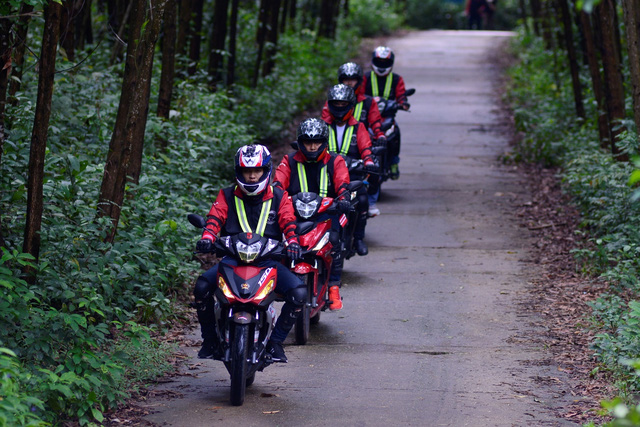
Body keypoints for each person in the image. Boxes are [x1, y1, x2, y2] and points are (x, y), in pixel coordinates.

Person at [193, 144, 306, 363]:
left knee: (298, 294)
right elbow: (215, 218)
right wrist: (207, 237)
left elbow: (288, 220)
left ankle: (275, 343)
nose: (252, 176)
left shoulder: (279, 196)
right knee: (202, 288)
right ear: (238, 172)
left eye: (257, 171)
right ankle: (209, 340)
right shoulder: (227, 194)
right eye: (246, 171)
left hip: (268, 262)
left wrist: (293, 242)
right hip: (232, 260)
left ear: (266, 171)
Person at [273, 118, 351, 310]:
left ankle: (333, 286)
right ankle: (277, 280)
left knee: (335, 240)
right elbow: (277, 184)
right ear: (300, 142)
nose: (312, 146)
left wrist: (344, 198)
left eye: (316, 141)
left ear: (324, 142)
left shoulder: (335, 160)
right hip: (294, 212)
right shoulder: (288, 160)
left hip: (327, 211)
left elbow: (343, 182)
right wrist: (274, 195)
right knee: (276, 240)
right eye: (308, 142)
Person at [322, 62, 386, 217]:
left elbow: (373, 124)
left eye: (353, 79)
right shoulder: (325, 123)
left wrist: (370, 155)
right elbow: (319, 135)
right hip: (327, 164)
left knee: (363, 194)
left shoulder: (364, 113)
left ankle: (360, 232)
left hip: (354, 160)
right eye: (345, 79)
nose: (349, 83)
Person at [323, 83, 378, 257]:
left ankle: (359, 238)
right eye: (336, 104)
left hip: (352, 175)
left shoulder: (358, 127)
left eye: (343, 104)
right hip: (326, 175)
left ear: (351, 106)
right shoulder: (322, 126)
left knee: (362, 199)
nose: (339, 108)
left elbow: (366, 147)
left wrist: (368, 161)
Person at [363, 46, 410, 180]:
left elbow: (401, 94)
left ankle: (394, 162)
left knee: (396, 134)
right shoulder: (366, 77)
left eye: (385, 62)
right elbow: (359, 93)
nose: (382, 65)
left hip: (387, 117)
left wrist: (403, 103)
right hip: (367, 117)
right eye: (379, 62)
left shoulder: (396, 79)